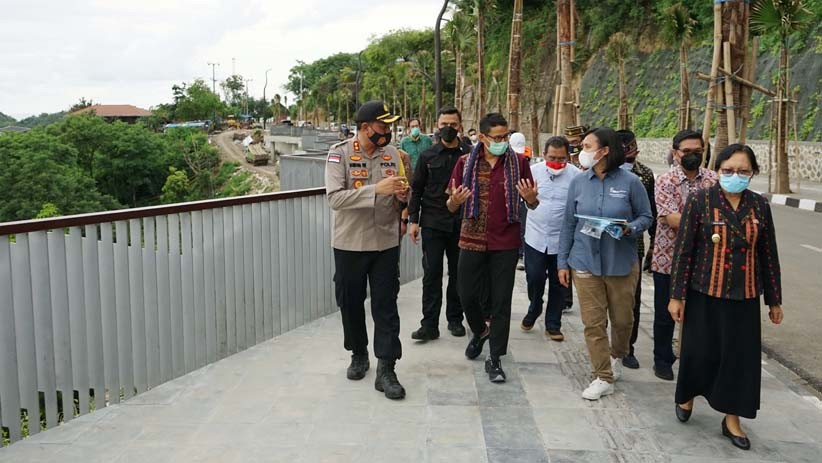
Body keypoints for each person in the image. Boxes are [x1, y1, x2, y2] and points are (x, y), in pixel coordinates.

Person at [669, 144, 783, 451]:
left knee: (740, 360)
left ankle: (732, 417)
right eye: (728, 170)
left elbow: (768, 254)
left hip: (744, 295)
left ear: (753, 173)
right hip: (705, 290)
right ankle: (687, 396)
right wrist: (676, 295)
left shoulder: (759, 205)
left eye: (743, 171)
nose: (735, 176)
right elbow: (683, 252)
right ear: (717, 171)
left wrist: (774, 300)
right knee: (699, 351)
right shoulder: (701, 201)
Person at [557, 127, 653, 400]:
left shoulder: (631, 182)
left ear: (605, 150)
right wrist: (563, 262)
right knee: (593, 323)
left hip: (620, 262)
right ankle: (602, 375)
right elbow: (568, 224)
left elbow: (647, 217)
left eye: (587, 146)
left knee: (623, 320)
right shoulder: (578, 181)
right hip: (584, 261)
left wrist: (629, 229)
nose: (582, 151)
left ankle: (617, 355)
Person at [325, 100, 410, 400]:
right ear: (365, 128)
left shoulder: (393, 155)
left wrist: (402, 196)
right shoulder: (340, 154)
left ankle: (387, 367)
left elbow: (401, 193)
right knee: (350, 301)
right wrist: (377, 190)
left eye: (389, 126)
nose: (388, 131)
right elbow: (335, 199)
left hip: (385, 242)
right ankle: (358, 352)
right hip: (350, 243)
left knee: (386, 305)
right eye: (382, 126)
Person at [447, 112, 538, 383]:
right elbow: (450, 205)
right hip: (471, 238)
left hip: (505, 241)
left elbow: (531, 203)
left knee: (501, 301)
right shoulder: (465, 164)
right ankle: (480, 331)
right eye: (497, 137)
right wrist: (456, 202)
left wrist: (531, 200)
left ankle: (495, 357)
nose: (502, 142)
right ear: (483, 137)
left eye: (505, 136)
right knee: (465, 293)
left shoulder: (519, 163)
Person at [651, 129, 718, 381]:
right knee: (664, 315)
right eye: (686, 152)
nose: (692, 156)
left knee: (699, 316)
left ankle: (695, 360)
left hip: (703, 262)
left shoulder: (713, 180)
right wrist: (707, 224)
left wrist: (701, 223)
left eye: (697, 152)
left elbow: (719, 215)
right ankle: (662, 359)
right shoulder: (665, 181)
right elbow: (670, 218)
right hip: (668, 259)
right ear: (675, 153)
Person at [407, 107, 468, 340]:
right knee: (431, 274)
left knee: (458, 274)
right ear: (436, 125)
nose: (448, 128)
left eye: (453, 124)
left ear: (460, 126)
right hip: (432, 223)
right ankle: (429, 324)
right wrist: (413, 220)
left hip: (461, 224)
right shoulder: (427, 156)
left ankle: (455, 319)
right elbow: (417, 189)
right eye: (444, 124)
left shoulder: (470, 155)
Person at [521, 136, 582, 341]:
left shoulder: (576, 176)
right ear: (544, 155)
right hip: (535, 235)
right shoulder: (532, 172)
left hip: (563, 240)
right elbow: (524, 200)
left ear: (568, 157)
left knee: (559, 283)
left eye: (561, 158)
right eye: (552, 157)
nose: (557, 162)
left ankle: (553, 324)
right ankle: (534, 306)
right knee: (535, 277)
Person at [616, 130, 657, 370]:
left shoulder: (646, 175)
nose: (631, 151)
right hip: (605, 245)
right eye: (625, 148)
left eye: (633, 146)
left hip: (634, 246)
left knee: (632, 298)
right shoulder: (604, 172)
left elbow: (650, 212)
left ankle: (627, 348)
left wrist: (653, 245)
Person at [510, 132, 531, 270]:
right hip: (511, 196)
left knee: (523, 227)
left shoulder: (527, 154)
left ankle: (522, 254)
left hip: (522, 196)